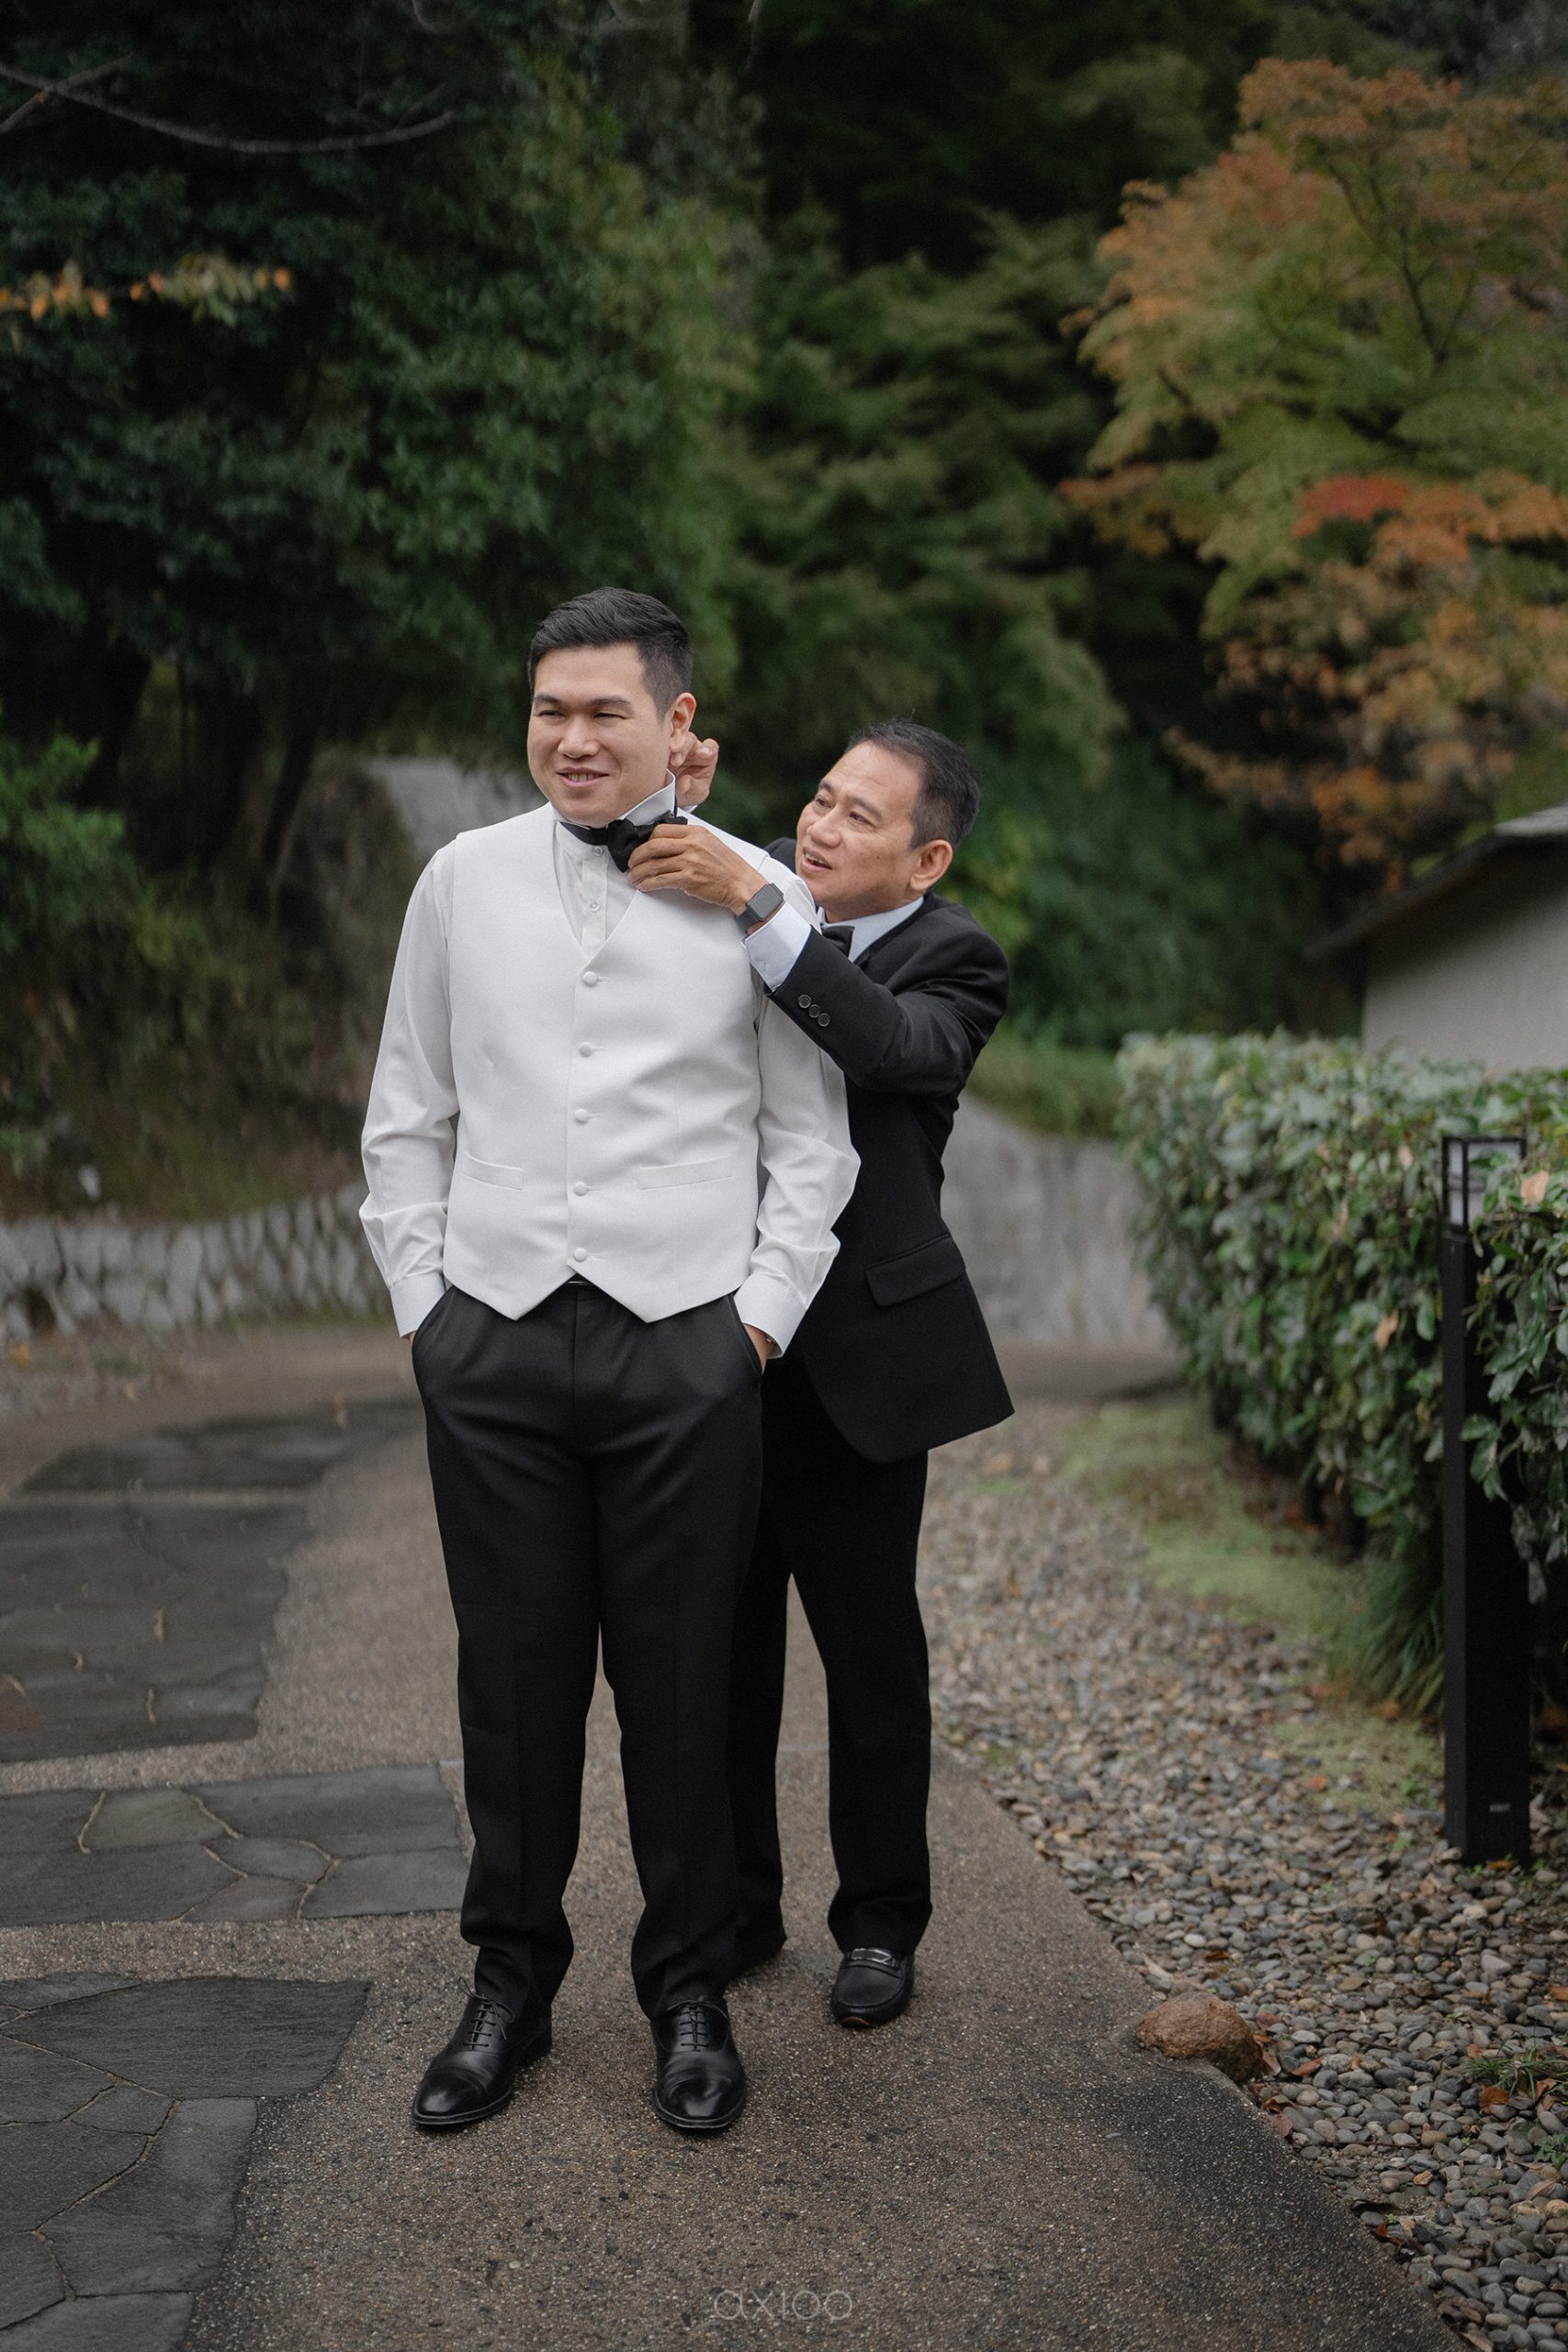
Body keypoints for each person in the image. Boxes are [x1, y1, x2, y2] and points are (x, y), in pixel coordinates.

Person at [360, 588, 856, 2135]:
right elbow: (406, 1114)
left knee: (683, 1687)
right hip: (494, 1344)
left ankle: (690, 1992)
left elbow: (811, 1146)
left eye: (605, 713)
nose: (573, 740)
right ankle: (507, 1986)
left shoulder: (764, 895)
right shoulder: (461, 879)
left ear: (675, 722)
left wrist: (751, 1328)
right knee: (511, 1690)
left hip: (685, 1349)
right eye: (550, 712)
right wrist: (430, 1313)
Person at [628, 718, 1012, 2030]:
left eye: (860, 815)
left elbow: (886, 1047)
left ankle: (882, 1925)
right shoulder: (743, 901)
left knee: (869, 1653)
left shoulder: (954, 958)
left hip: (859, 1366)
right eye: (820, 798)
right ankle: (740, 1908)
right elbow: (639, 892)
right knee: (719, 1652)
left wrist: (753, 900)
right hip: (717, 1344)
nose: (821, 825)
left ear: (926, 860)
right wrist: (668, 809)